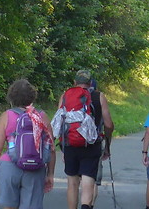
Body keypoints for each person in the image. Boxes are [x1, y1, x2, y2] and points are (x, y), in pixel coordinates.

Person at [0, 79, 56, 209]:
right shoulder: (42, 116)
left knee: (9, 207)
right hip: (36, 168)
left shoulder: (6, 116)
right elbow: (51, 148)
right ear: (32, 96)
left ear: (12, 97)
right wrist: (50, 174)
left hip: (10, 166)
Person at [59, 69, 114, 209]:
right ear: (90, 83)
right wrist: (107, 143)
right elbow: (108, 125)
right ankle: (85, 206)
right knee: (88, 179)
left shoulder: (65, 96)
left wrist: (63, 147)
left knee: (72, 182)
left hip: (70, 144)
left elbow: (59, 122)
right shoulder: (99, 96)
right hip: (91, 144)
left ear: (75, 82)